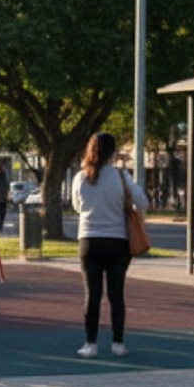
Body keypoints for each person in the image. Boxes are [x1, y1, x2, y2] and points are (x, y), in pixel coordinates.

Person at [71, 132, 149, 358]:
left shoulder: (80, 178)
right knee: (117, 294)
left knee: (91, 293)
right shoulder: (121, 177)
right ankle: (118, 343)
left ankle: (91, 344)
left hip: (89, 240)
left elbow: (77, 206)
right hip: (118, 241)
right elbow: (142, 201)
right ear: (113, 153)